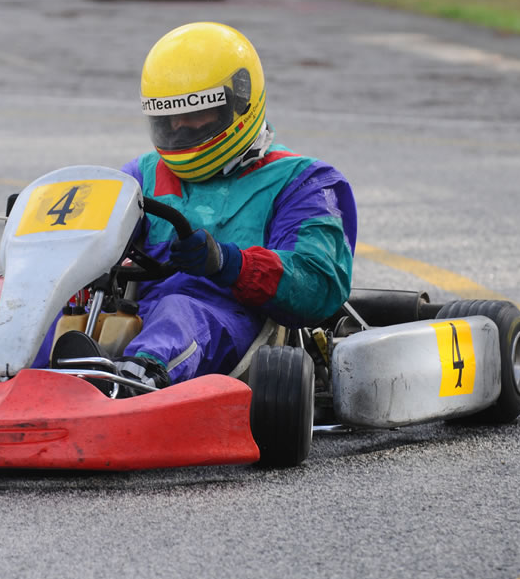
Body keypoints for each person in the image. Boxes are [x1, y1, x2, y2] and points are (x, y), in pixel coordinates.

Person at [108, 21, 358, 390]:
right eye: (166, 115)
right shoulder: (141, 175)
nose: (178, 125)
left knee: (180, 309)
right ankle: (18, 372)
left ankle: (135, 383)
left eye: (194, 113)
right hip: (136, 316)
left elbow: (318, 285)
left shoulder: (304, 181)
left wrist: (228, 262)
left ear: (239, 102)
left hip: (230, 321)